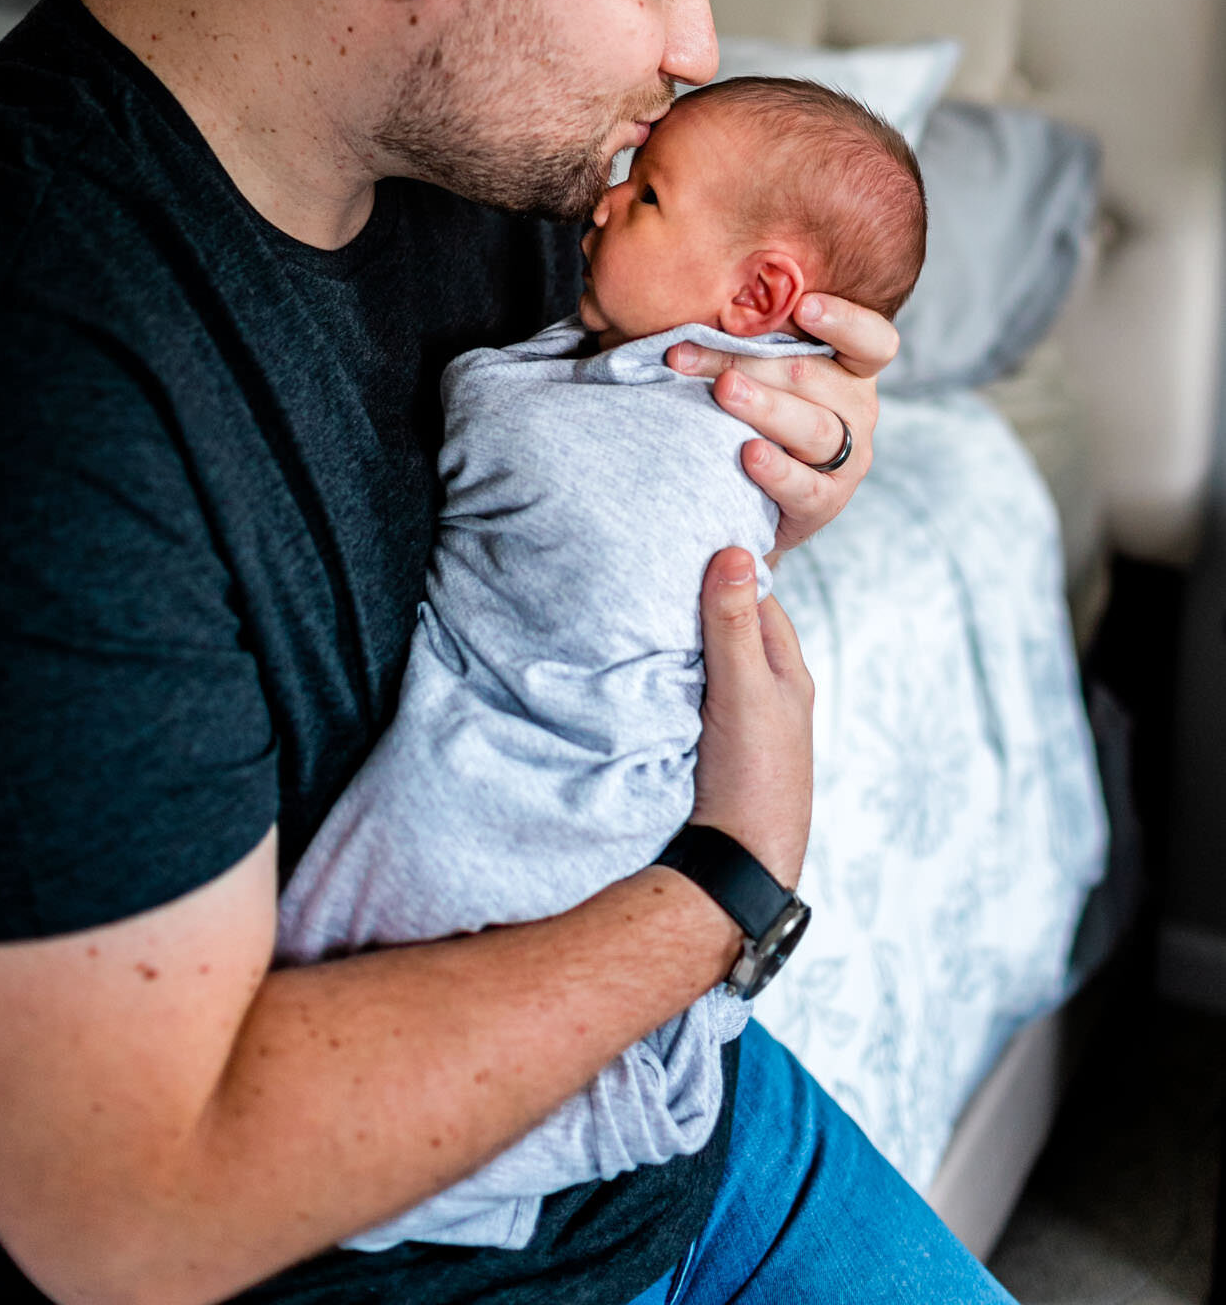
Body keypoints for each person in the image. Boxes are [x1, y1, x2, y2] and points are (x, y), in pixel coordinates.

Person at [0, 0, 1012, 1304]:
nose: (699, 49)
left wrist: (798, 448)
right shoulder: (6, 372)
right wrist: (726, 880)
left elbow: (665, 417)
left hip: (671, 1137)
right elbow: (137, 1209)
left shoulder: (503, 167)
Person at [277, 77, 928, 1254]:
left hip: (701, 1032)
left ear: (764, 294)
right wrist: (741, 871)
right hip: (613, 964)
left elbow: (549, 454)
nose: (603, 203)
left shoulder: (715, 383)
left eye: (648, 194)